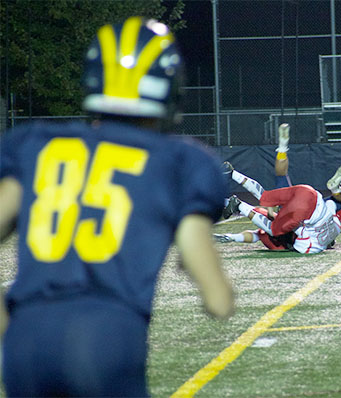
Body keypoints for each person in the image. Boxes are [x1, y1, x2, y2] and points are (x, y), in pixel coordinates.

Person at [0, 16, 234, 397]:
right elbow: (217, 299)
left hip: (26, 340)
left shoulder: (35, 143)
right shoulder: (180, 160)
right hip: (108, 335)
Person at [217, 124, 341, 254]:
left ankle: (280, 148)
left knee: (272, 188)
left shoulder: (331, 211)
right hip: (301, 216)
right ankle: (239, 206)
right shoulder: (328, 234)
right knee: (273, 229)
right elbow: (307, 244)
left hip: (310, 194)